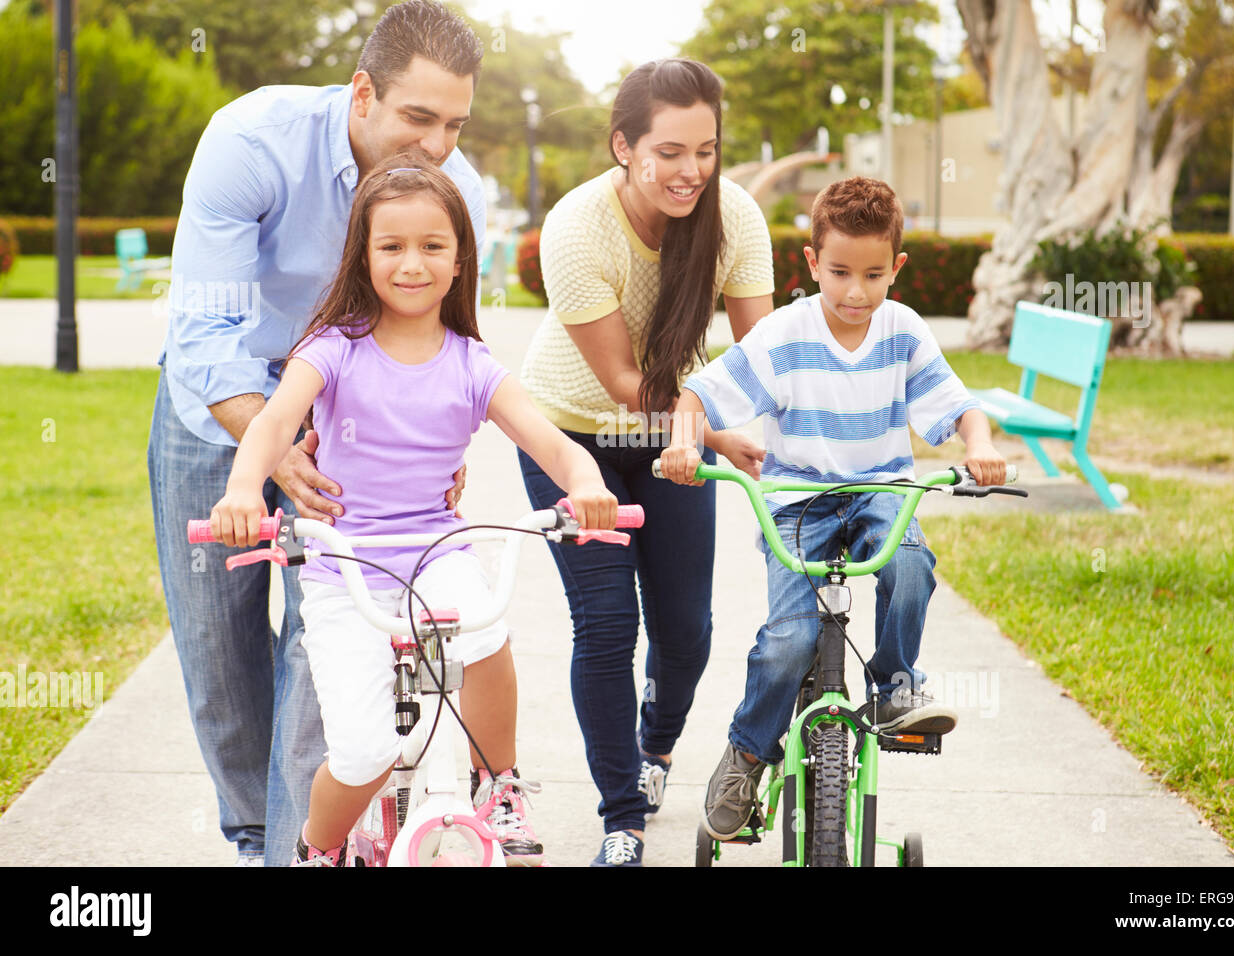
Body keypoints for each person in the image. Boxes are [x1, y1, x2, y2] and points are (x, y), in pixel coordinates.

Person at [208, 152, 620, 867]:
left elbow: (552, 443)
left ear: (461, 260)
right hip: (344, 566)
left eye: (433, 246)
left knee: (486, 631)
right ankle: (318, 846)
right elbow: (276, 424)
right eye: (391, 246)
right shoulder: (332, 349)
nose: (412, 263)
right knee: (366, 750)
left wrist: (585, 484)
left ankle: (500, 783)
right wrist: (245, 488)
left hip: (436, 549)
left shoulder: (470, 363)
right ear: (363, 257)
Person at [147, 0, 487, 866]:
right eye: (418, 118)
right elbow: (204, 336)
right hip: (214, 413)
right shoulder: (252, 142)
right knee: (217, 651)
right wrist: (275, 439)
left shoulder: (457, 192)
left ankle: (293, 852)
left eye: (454, 123)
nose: (438, 146)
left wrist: (446, 453)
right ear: (363, 93)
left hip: (354, 439)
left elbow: (455, 346)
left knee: (328, 641)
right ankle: (254, 829)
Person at [659, 176, 1008, 841]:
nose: (855, 292)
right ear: (812, 263)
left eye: (874, 275)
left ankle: (895, 686)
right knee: (788, 639)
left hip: (883, 490)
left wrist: (981, 444)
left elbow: (960, 405)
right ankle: (748, 754)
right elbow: (699, 396)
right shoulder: (784, 336)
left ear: (896, 269)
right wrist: (683, 445)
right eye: (840, 272)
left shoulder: (903, 333)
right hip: (798, 499)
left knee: (911, 566)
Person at [516, 58, 775, 867]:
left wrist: (721, 427)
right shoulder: (576, 227)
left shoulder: (734, 218)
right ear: (623, 146)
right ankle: (620, 819)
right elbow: (625, 385)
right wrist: (709, 432)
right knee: (605, 626)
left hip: (673, 438)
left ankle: (655, 754)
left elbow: (758, 357)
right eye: (669, 151)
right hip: (573, 438)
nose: (690, 171)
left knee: (687, 632)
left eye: (706, 150)